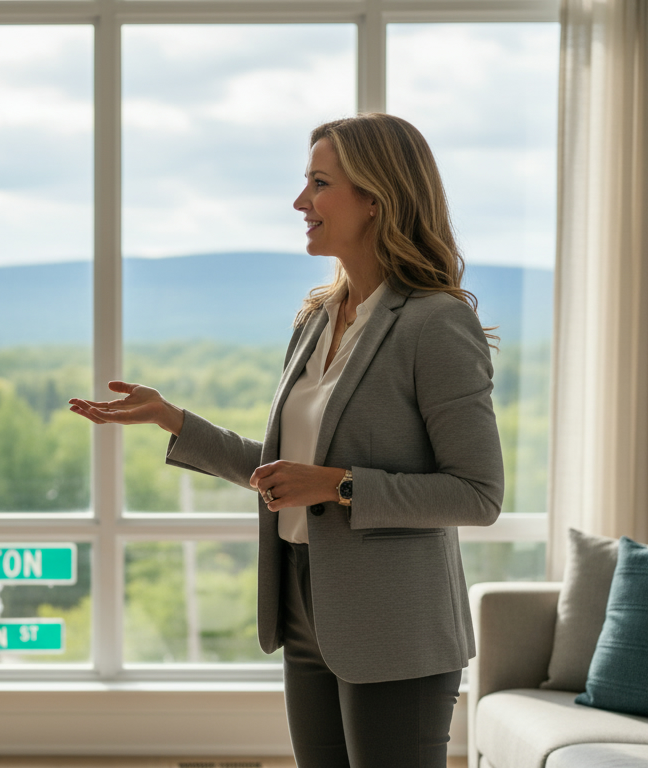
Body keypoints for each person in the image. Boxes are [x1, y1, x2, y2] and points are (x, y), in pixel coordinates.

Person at [69, 113, 504, 767]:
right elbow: (283, 472)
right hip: (306, 603)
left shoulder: (435, 324)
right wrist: (176, 422)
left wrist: (341, 485)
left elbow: (477, 495)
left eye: (320, 184)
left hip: (394, 627)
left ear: (375, 199)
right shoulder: (316, 318)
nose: (301, 202)